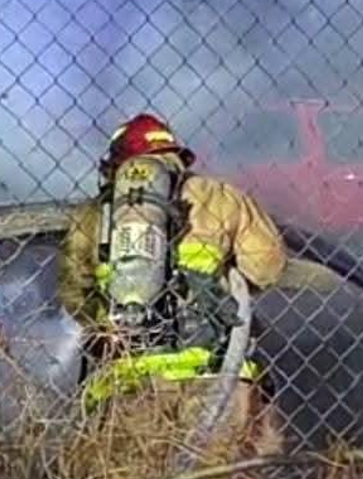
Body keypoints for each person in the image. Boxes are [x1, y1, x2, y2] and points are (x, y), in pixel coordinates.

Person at [56, 112, 289, 474]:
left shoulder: (92, 215)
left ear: (116, 164)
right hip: (217, 378)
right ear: (175, 154)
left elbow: (76, 297)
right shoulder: (220, 197)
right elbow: (268, 267)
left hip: (130, 386)